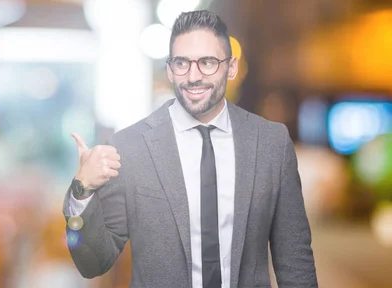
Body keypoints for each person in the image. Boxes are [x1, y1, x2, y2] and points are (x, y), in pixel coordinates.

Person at [62, 10, 318, 288]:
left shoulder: (271, 144)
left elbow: (295, 262)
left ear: (231, 67)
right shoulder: (129, 148)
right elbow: (92, 264)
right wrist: (82, 191)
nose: (194, 76)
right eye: (182, 63)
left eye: (208, 62)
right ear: (170, 70)